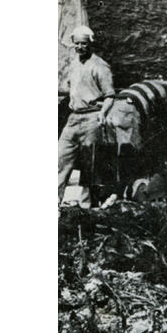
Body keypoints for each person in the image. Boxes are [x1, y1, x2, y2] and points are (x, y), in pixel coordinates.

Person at [58, 26, 116, 202]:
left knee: (89, 166)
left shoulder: (100, 66)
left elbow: (110, 95)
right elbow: (70, 88)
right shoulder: (74, 64)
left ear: (90, 43)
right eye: (77, 43)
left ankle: (86, 209)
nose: (80, 47)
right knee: (60, 159)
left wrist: (103, 113)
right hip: (74, 118)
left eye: (84, 43)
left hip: (92, 118)